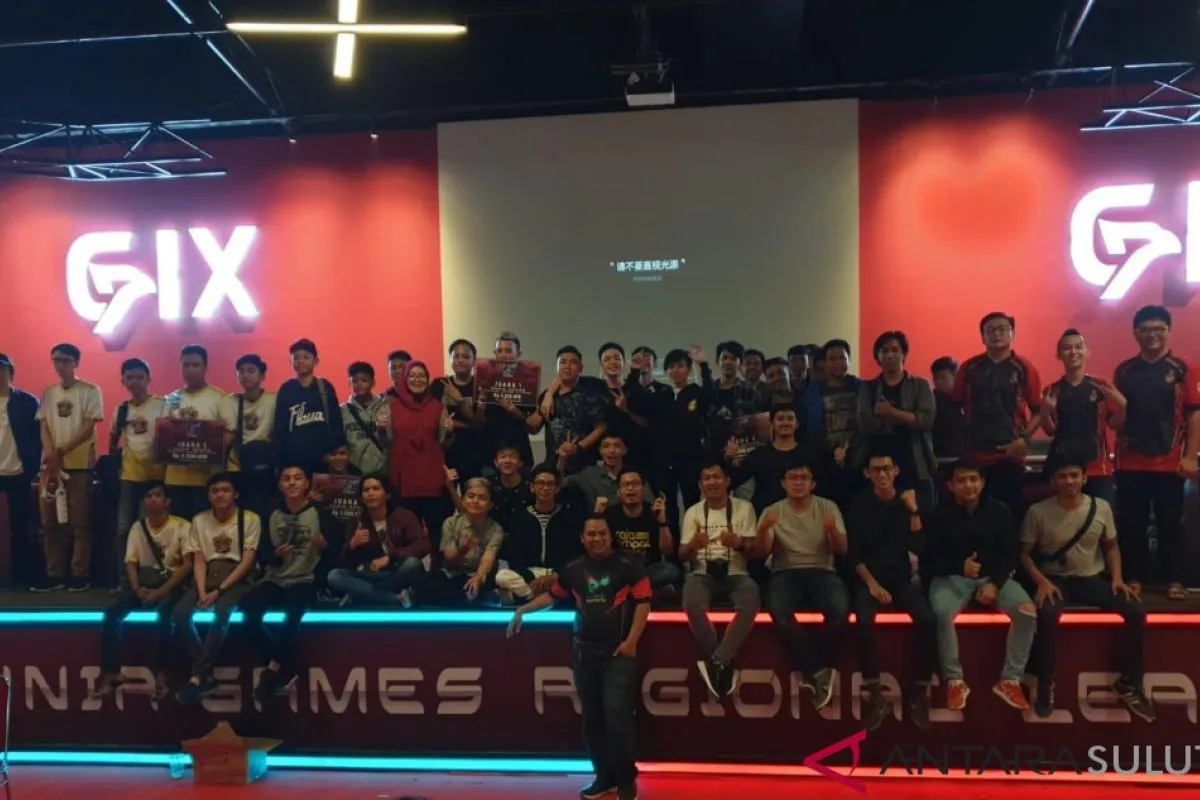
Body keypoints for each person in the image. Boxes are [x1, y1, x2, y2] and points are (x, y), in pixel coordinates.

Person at [508, 515, 651, 800]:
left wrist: (631, 642)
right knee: (592, 722)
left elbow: (644, 604)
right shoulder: (573, 569)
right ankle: (604, 778)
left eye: (602, 533)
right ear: (582, 538)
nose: (597, 538)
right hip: (584, 654)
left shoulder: (629, 565)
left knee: (617, 717)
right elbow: (552, 597)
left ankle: (626, 780)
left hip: (618, 655)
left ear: (610, 536)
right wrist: (522, 610)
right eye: (591, 534)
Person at [1019, 455, 1154, 720]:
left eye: (1074, 475)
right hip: (1054, 579)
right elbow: (1023, 555)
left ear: (1084, 478)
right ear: (1053, 481)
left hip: (1091, 578)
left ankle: (1130, 680)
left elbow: (1111, 546)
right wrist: (1041, 582)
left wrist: (1117, 579)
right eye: (1062, 476)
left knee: (1136, 610)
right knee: (1045, 614)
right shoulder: (1038, 512)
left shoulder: (1101, 507)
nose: (1069, 481)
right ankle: (1045, 681)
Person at [923, 459, 1035, 712]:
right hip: (950, 578)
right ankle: (954, 681)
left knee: (1027, 611)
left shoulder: (1000, 511)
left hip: (993, 578)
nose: (968, 485)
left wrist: (995, 583)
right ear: (951, 485)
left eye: (973, 479)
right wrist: (958, 567)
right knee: (941, 613)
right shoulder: (937, 515)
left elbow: (1010, 554)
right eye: (961, 480)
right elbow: (928, 560)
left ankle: (1010, 679)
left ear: (982, 482)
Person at [1113, 305, 1200, 601]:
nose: (1152, 335)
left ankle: (1174, 580)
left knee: (1171, 525)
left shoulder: (1184, 368)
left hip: (1170, 461)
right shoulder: (1124, 371)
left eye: (1158, 329)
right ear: (1135, 333)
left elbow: (1195, 414)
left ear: (1168, 331)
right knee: (1131, 525)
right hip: (1130, 461)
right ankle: (1134, 578)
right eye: (1145, 329)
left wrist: (1191, 456)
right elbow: (1117, 416)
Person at [846, 453, 935, 731]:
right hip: (868, 577)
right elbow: (852, 554)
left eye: (887, 468)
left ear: (896, 470)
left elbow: (919, 547)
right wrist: (872, 585)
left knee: (927, 620)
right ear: (867, 474)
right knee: (862, 622)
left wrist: (913, 511)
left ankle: (918, 692)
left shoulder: (907, 500)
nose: (882, 474)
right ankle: (876, 695)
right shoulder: (858, 504)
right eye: (876, 470)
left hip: (900, 578)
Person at [243, 465, 341, 703]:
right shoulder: (270, 513)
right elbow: (262, 552)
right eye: (286, 479)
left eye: (298, 478)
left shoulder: (322, 514)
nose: (292, 482)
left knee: (292, 615)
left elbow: (337, 555)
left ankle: (273, 670)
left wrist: (324, 546)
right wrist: (275, 555)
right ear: (279, 485)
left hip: (305, 578)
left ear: (307, 484)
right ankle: (280, 666)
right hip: (275, 578)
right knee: (249, 613)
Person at [756, 462, 848, 709]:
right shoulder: (772, 511)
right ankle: (816, 670)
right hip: (785, 571)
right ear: (783, 483)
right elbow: (760, 552)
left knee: (840, 611)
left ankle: (814, 670)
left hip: (822, 569)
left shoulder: (828, 507)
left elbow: (841, 550)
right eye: (792, 477)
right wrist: (763, 529)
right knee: (778, 611)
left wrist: (832, 530)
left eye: (803, 478)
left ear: (812, 483)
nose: (798, 482)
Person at [92, 482, 191, 701]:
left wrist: (161, 591)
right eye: (148, 496)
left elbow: (187, 565)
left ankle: (163, 674)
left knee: (166, 617)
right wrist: (137, 588)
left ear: (167, 501)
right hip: (144, 584)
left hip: (170, 585)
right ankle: (111, 673)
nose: (152, 499)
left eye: (157, 495)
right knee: (112, 615)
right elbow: (130, 561)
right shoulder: (137, 527)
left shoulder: (182, 526)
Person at [174, 472, 262, 705]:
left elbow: (247, 561)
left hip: (236, 577)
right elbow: (199, 559)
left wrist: (219, 591)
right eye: (214, 491)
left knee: (222, 612)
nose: (220, 495)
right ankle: (206, 675)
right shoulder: (199, 520)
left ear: (235, 494)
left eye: (225, 490)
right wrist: (202, 590)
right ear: (208, 496)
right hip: (207, 575)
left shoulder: (249, 518)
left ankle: (198, 675)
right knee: (180, 613)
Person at [680, 460, 761, 698]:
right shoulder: (693, 511)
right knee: (691, 602)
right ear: (700, 485)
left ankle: (716, 662)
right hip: (702, 573)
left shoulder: (744, 508)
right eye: (707, 478)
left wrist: (738, 543)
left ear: (727, 481)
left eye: (717, 477)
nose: (712, 483)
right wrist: (693, 546)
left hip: (736, 573)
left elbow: (755, 550)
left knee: (751, 600)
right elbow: (682, 554)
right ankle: (723, 662)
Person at [952, 312, 1041, 516]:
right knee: (976, 514)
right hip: (975, 456)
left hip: (1009, 456)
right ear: (983, 337)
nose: (997, 334)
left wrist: (1023, 440)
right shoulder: (969, 368)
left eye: (1002, 329)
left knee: (1010, 514)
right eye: (990, 330)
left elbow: (1038, 411)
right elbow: (955, 405)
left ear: (1013, 334)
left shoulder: (1024, 368)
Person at [35, 343, 103, 593]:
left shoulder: (90, 391)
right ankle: (54, 573)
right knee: (50, 522)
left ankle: (79, 573)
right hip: (51, 467)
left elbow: (88, 427)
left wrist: (61, 450)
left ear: (76, 363)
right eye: (55, 360)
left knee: (79, 521)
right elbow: (44, 426)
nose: (59, 364)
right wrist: (51, 454)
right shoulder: (49, 393)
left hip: (79, 465)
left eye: (65, 360)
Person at [624, 346, 712, 537]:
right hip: (663, 462)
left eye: (680, 366)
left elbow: (711, 397)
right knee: (668, 506)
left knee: (692, 503)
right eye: (671, 367)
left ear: (688, 369)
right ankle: (673, 550)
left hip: (690, 460)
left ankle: (694, 543)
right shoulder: (662, 395)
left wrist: (703, 366)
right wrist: (634, 372)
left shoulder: (696, 392)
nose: (675, 370)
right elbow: (635, 401)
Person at [1037, 329, 1125, 505]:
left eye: (1079, 347)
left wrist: (1122, 406)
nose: (1073, 352)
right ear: (1059, 354)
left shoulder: (1102, 386)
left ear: (1087, 352)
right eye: (1067, 348)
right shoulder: (1052, 390)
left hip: (1098, 468)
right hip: (1065, 470)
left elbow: (1115, 425)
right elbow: (1050, 431)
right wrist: (1045, 411)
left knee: (1102, 517)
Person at [856, 331, 938, 510]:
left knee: (923, 513)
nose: (890, 355)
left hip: (916, 462)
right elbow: (865, 424)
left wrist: (890, 411)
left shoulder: (920, 385)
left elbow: (926, 421)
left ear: (904, 354)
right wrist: (907, 418)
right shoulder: (868, 387)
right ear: (877, 357)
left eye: (895, 350)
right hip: (879, 463)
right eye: (884, 351)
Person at [326, 475, 428, 605]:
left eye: (376, 488)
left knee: (412, 563)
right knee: (334, 576)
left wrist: (390, 557)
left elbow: (422, 545)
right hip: (369, 575)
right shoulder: (357, 521)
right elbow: (343, 561)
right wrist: (352, 545)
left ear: (387, 494)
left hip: (396, 573)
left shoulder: (404, 516)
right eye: (366, 490)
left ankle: (364, 595)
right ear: (361, 497)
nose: (370, 493)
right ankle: (394, 598)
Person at [162, 345, 235, 520]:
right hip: (175, 478)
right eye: (186, 365)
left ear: (205, 367)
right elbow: (163, 431)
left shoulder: (219, 397)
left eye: (195, 365)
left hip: (207, 479)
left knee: (204, 527)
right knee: (178, 527)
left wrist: (207, 454)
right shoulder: (173, 398)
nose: (190, 370)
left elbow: (230, 433)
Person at [111, 358, 167, 585]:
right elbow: (113, 437)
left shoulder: (163, 404)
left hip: (156, 477)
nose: (135, 381)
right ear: (123, 380)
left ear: (149, 379)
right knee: (123, 528)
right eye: (130, 377)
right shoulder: (121, 409)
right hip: (128, 476)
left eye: (139, 377)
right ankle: (123, 580)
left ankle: (148, 579)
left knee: (149, 529)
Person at [386, 361, 457, 539]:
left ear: (427, 379)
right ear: (404, 379)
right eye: (412, 375)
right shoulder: (392, 406)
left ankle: (436, 558)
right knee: (407, 534)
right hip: (403, 479)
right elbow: (387, 441)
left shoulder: (438, 407)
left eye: (421, 376)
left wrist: (449, 432)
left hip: (431, 478)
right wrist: (380, 429)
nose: (417, 379)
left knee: (436, 532)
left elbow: (444, 443)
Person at [495, 465, 583, 602]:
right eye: (540, 483)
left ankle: (530, 596)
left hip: (556, 573)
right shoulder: (520, 518)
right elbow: (514, 556)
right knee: (501, 576)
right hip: (530, 572)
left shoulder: (568, 517)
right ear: (532, 487)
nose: (545, 488)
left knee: (578, 576)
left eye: (550, 484)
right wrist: (529, 577)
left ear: (557, 488)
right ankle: (546, 597)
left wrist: (556, 575)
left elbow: (574, 553)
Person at [414, 477, 504, 607]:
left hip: (478, 574)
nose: (475, 501)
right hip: (451, 574)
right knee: (422, 583)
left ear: (490, 505)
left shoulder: (496, 529)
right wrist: (463, 550)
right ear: (463, 500)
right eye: (470, 496)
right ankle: (472, 600)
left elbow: (488, 558)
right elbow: (449, 558)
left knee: (476, 587)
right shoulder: (450, 523)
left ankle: (473, 598)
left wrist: (478, 578)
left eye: (482, 498)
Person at [799, 339, 862, 508]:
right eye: (832, 359)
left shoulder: (861, 388)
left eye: (842, 358)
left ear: (849, 360)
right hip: (824, 463)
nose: (837, 363)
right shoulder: (812, 393)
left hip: (857, 462)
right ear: (824, 363)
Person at [528, 346, 608, 476]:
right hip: (553, 465)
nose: (567, 366)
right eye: (563, 362)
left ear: (581, 368)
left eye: (573, 362)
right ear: (556, 367)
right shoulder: (547, 396)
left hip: (584, 465)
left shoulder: (589, 394)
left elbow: (601, 427)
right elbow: (534, 428)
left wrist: (578, 448)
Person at [0, 353, 42, 588]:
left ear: (11, 372)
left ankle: (21, 577)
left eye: (2, 370)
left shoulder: (27, 402)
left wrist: (33, 467)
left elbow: (39, 437)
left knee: (21, 526)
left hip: (18, 472)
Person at [272, 339, 344, 477]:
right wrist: (278, 461)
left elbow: (336, 423)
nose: (300, 361)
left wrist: (336, 454)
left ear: (316, 361)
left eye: (306, 357)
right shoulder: (286, 389)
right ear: (290, 362)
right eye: (296, 358)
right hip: (293, 460)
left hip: (323, 460)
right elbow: (279, 427)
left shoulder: (325, 387)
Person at [604, 467, 680, 590]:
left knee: (670, 571)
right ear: (618, 491)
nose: (630, 489)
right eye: (626, 485)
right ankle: (642, 588)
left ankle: (632, 588)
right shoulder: (610, 514)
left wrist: (662, 522)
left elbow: (668, 550)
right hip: (620, 569)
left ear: (644, 489)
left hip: (647, 569)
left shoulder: (654, 511)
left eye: (635, 484)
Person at [227, 354, 277, 522]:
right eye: (241, 371)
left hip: (266, 468)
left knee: (264, 516)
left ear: (262, 376)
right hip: (238, 467)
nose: (245, 375)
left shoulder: (274, 400)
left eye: (251, 371)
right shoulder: (231, 401)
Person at [341, 362, 389, 477]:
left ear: (373, 382)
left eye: (364, 380)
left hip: (383, 472)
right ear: (349, 383)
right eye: (354, 381)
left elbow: (393, 441)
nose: (359, 384)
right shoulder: (342, 411)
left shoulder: (385, 407)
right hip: (355, 474)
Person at [930, 357, 964, 462]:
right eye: (935, 378)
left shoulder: (967, 397)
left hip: (965, 457)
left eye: (942, 377)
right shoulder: (930, 400)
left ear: (955, 376)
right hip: (939, 457)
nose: (938, 381)